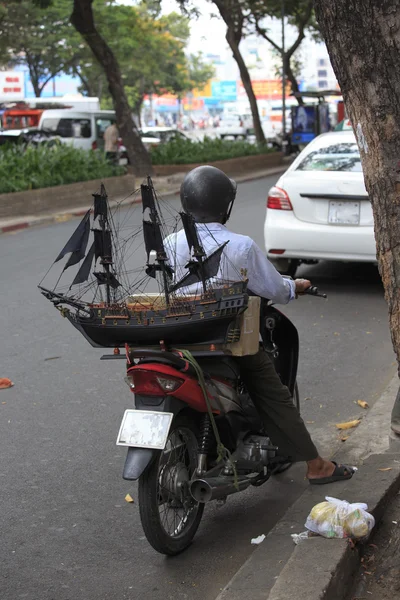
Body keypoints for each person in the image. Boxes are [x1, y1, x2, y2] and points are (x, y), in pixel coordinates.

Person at [165, 165, 355, 485]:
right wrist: (296, 286)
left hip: (178, 338)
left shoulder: (170, 243)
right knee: (273, 392)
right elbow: (274, 290)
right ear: (224, 205)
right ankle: (316, 466)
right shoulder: (241, 246)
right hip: (225, 340)